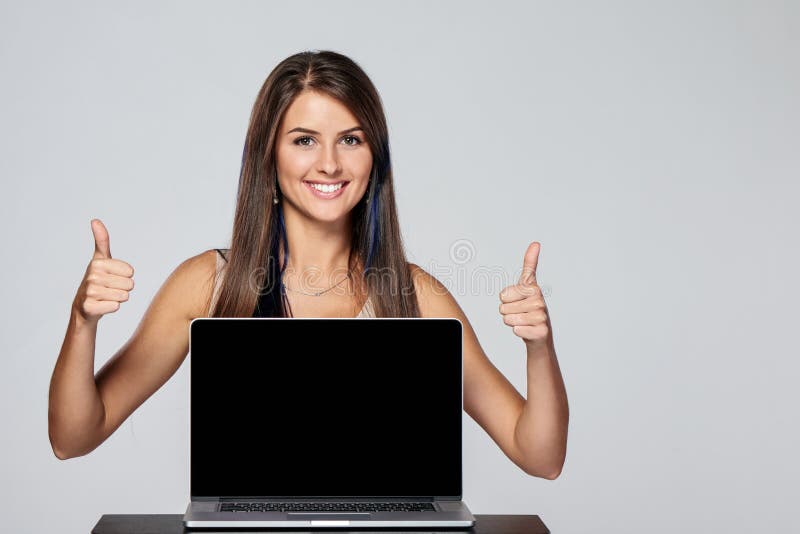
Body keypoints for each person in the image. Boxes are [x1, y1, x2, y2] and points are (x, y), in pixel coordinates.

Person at [48, 50, 569, 479]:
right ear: (269, 156)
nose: (329, 163)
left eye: (351, 139)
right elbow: (73, 438)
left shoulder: (413, 295)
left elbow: (539, 456)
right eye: (304, 140)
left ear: (374, 156)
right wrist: (82, 322)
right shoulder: (209, 285)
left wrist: (539, 348)